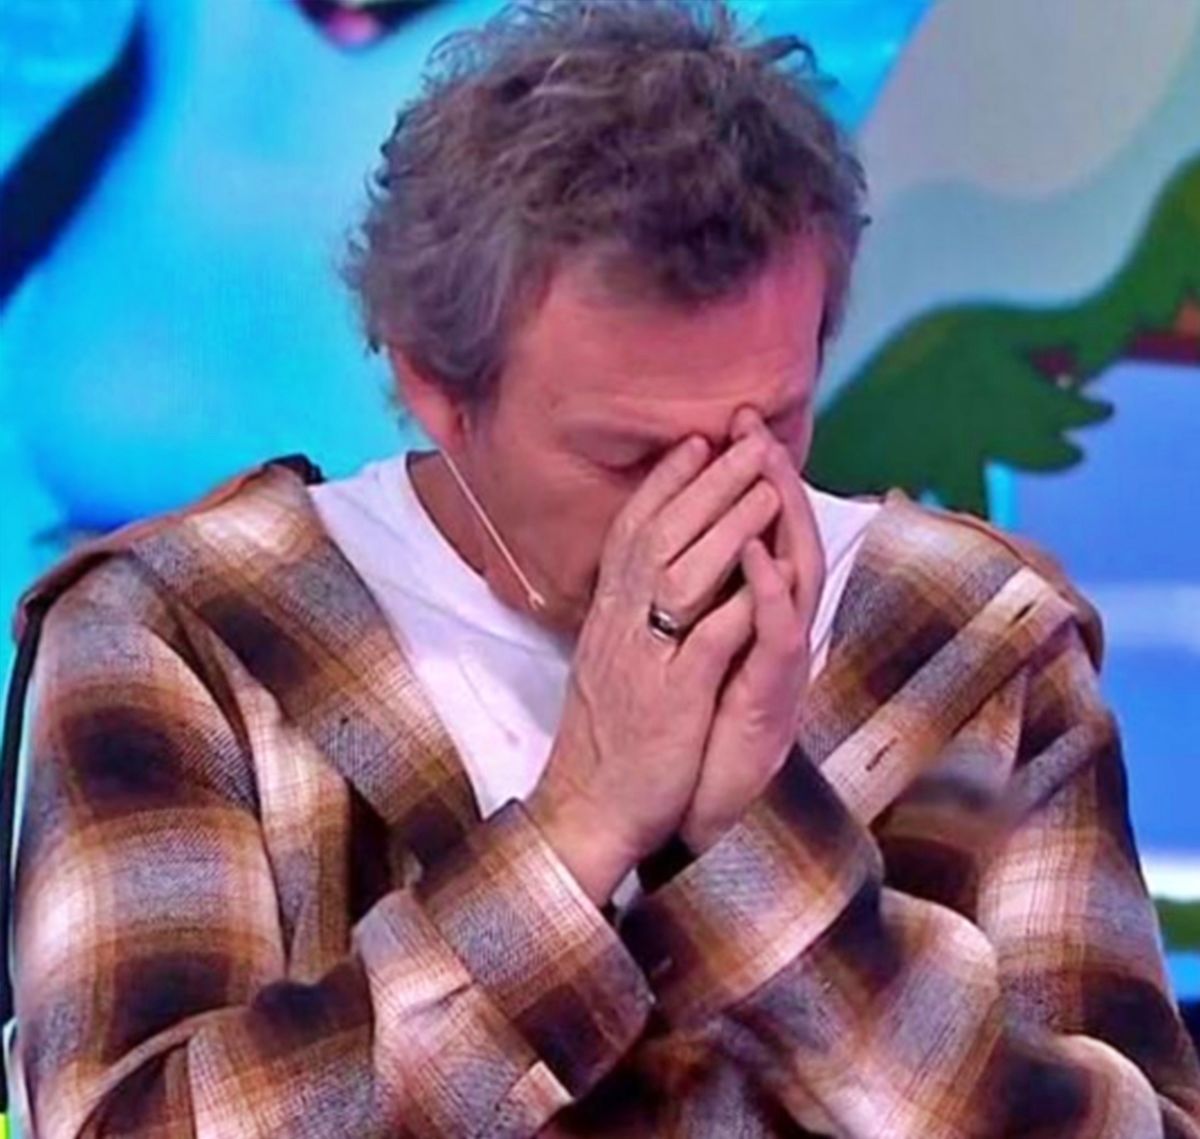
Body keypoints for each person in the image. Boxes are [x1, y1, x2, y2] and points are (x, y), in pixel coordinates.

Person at [2, 1, 1198, 1135]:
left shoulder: (967, 639)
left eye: (771, 425)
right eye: (629, 455)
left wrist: (759, 837)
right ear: (435, 385)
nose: (718, 504)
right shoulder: (183, 631)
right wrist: (580, 824)